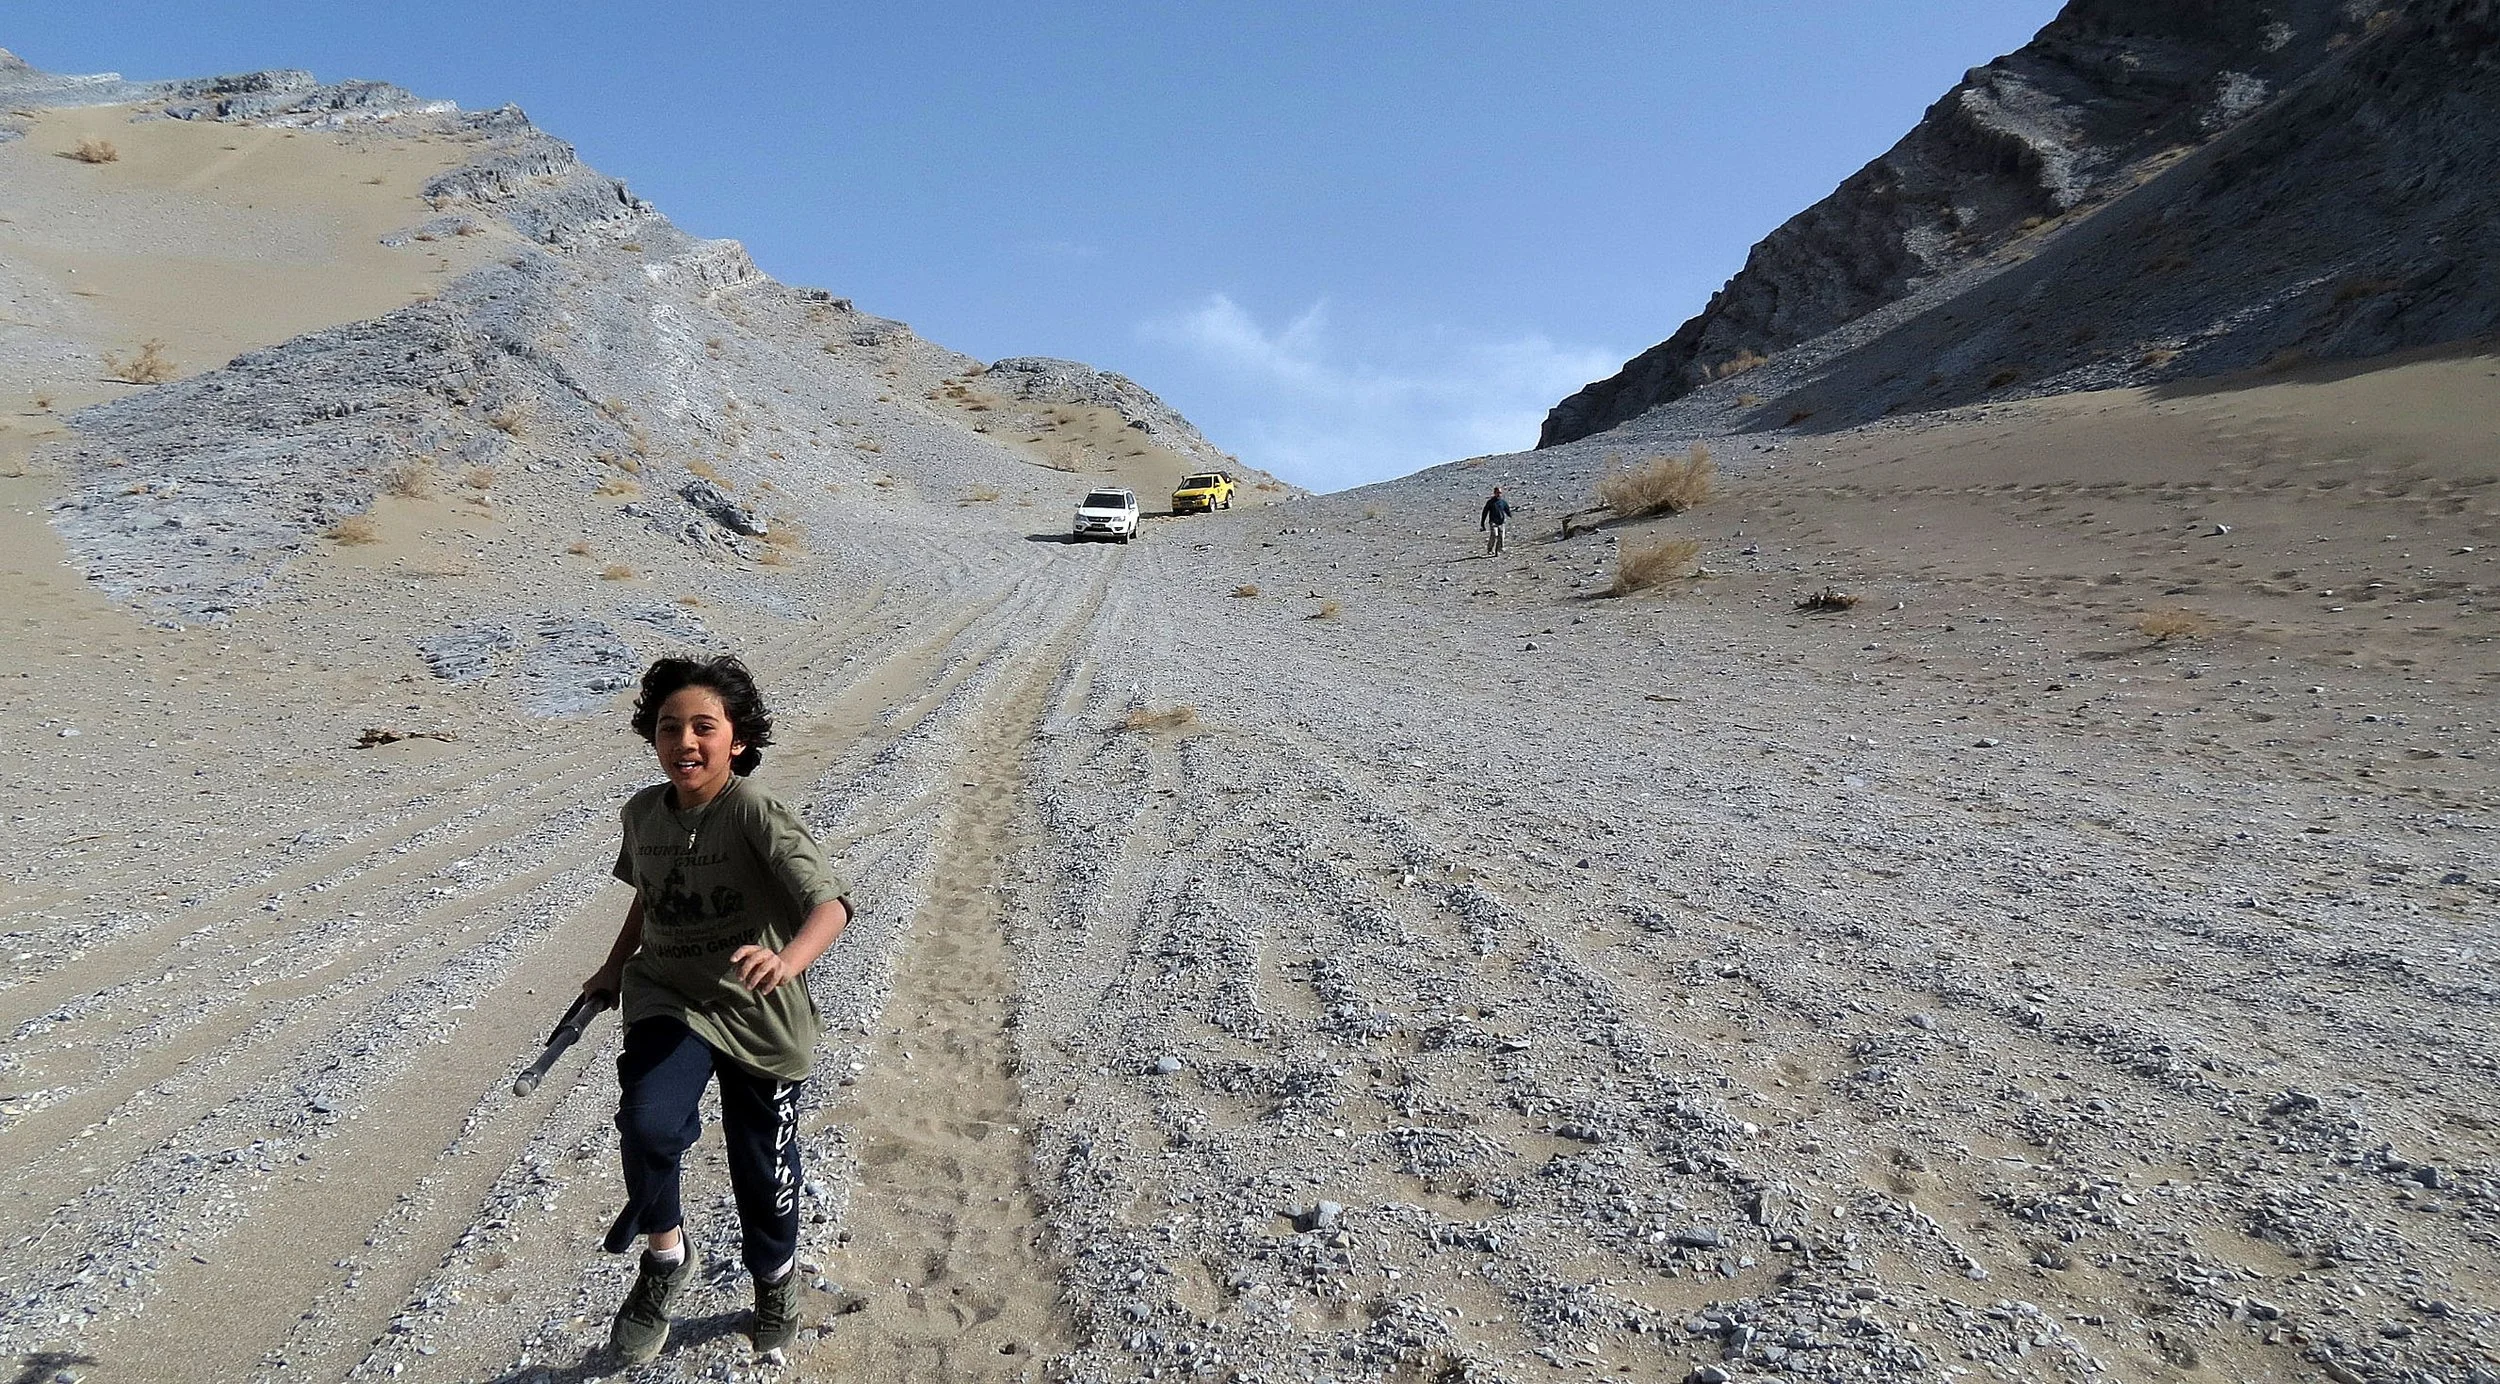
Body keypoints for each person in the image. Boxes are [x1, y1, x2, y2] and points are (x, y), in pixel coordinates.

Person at [585, 655, 853, 1363]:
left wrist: (787, 961)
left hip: (757, 1011)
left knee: (761, 1167)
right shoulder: (643, 814)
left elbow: (830, 905)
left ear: (737, 739)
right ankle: (667, 1258)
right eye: (669, 727)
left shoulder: (753, 810)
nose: (685, 742)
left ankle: (775, 1283)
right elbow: (650, 895)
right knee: (648, 1123)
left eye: (704, 726)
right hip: (669, 995)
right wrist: (613, 967)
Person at [1479, 485, 1513, 555]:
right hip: (1493, 522)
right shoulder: (1490, 502)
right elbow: (1485, 512)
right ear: (1494, 493)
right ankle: (1490, 549)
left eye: (1500, 493)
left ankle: (1498, 550)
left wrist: (1510, 515)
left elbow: (1507, 510)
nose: (1499, 494)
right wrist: (1482, 523)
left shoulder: (1503, 502)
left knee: (1501, 537)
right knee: (1494, 535)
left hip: (1501, 522)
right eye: (1497, 493)